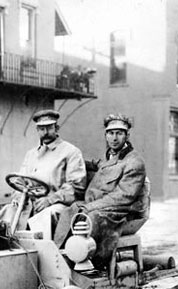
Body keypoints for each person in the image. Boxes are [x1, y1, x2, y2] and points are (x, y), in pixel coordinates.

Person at [54, 113, 149, 271]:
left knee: (89, 219)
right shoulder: (112, 157)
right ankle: (58, 258)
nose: (114, 138)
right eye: (110, 133)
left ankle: (89, 264)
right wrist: (73, 160)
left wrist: (91, 207)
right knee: (68, 211)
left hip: (119, 212)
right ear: (106, 135)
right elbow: (101, 165)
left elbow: (123, 197)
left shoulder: (134, 162)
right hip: (98, 206)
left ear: (127, 135)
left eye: (119, 133)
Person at [0, 109, 86, 239]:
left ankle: (42, 254)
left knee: (45, 216)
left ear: (57, 128)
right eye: (41, 128)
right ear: (37, 130)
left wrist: (49, 200)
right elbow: (21, 181)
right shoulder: (31, 154)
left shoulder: (71, 152)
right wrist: (18, 197)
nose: (45, 132)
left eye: (49, 128)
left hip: (58, 204)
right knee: (7, 213)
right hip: (31, 203)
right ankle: (5, 250)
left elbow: (76, 186)